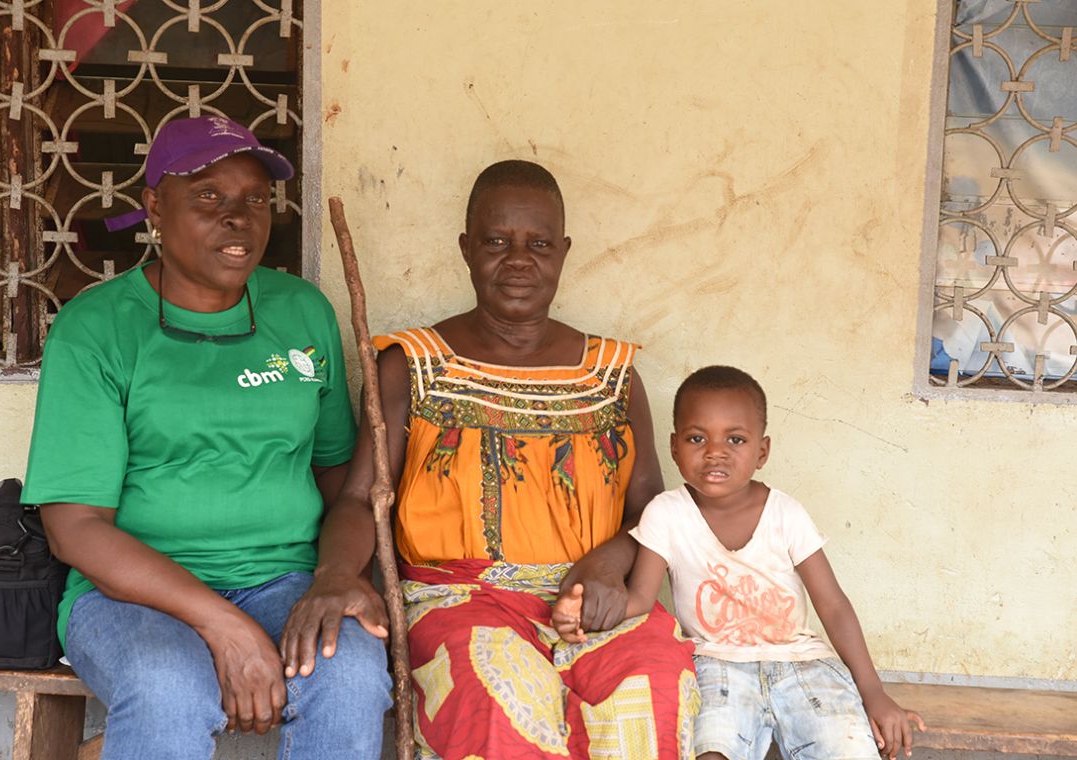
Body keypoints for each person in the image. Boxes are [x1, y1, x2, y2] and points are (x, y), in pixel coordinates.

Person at [296, 159, 699, 759]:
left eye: (539, 243)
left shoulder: (612, 376)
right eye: (496, 241)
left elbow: (652, 510)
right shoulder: (410, 366)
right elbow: (360, 499)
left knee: (656, 680)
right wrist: (334, 575)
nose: (518, 260)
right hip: (460, 601)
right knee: (494, 695)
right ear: (465, 248)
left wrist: (609, 565)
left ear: (563, 252)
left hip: (595, 598)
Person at [22, 115, 392, 760]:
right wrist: (226, 627)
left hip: (286, 579)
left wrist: (337, 577)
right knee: (167, 685)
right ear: (154, 209)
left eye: (254, 199)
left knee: (353, 673)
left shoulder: (301, 310)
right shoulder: (98, 328)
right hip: (132, 594)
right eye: (207, 198)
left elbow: (342, 483)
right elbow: (74, 527)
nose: (238, 217)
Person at [554, 365, 926, 760]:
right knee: (711, 751)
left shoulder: (785, 513)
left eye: (735, 439)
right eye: (697, 438)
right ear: (675, 447)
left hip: (803, 666)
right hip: (715, 666)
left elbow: (833, 605)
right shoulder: (666, 513)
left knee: (849, 750)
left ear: (761, 452)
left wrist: (874, 692)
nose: (715, 451)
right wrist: (584, 614)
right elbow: (640, 599)